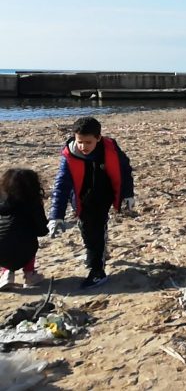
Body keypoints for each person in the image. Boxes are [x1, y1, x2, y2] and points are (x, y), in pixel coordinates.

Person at [48, 116, 135, 289]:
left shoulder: (110, 149)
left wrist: (128, 194)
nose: (83, 147)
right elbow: (61, 186)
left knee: (96, 229)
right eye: (80, 142)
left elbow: (125, 170)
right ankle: (93, 253)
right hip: (80, 198)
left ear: (98, 138)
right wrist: (56, 216)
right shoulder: (69, 155)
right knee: (85, 227)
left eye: (88, 142)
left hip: (103, 195)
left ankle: (98, 272)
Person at [0, 169, 49, 290]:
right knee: (26, 241)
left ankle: (6, 274)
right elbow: (42, 230)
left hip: (1, 251)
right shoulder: (33, 204)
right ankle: (29, 274)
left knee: (7, 240)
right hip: (24, 249)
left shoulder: (3, 204)